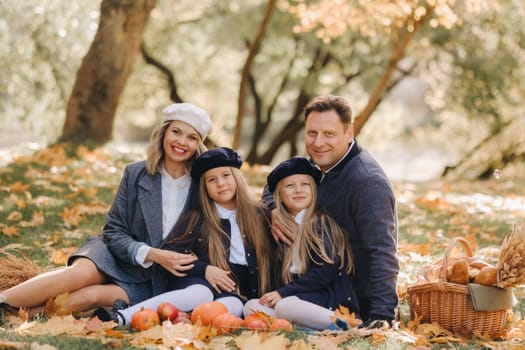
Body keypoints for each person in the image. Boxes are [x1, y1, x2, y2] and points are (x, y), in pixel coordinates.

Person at [0, 103, 212, 317]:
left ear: (198, 145)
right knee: (78, 275)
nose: (181, 142)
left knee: (91, 296)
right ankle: (4, 300)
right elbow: (114, 230)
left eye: (192, 137)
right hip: (114, 253)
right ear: (163, 133)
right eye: (176, 132)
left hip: (154, 278)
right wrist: (152, 253)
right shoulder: (136, 173)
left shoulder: (203, 186)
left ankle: (12, 313)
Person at [94, 147, 275, 325]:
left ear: (237, 177)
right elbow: (170, 252)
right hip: (198, 282)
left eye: (226, 175)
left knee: (232, 307)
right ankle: (123, 316)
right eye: (212, 180)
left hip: (235, 294)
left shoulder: (261, 215)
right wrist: (204, 269)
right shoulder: (197, 217)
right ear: (204, 188)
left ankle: (185, 319)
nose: (221, 183)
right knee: (201, 294)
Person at [263, 95, 399, 328]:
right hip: (309, 283)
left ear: (349, 133)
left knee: (284, 308)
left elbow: (382, 250)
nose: (318, 142)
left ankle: (339, 322)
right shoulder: (319, 162)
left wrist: (382, 315)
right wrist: (273, 208)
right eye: (312, 133)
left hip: (346, 294)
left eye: (328, 134)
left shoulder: (366, 181)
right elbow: (271, 185)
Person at [244, 157, 359, 330]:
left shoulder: (319, 223)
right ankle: (304, 329)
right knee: (252, 306)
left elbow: (325, 272)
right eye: (290, 186)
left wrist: (283, 293)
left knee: (285, 306)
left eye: (305, 184)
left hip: (329, 301)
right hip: (300, 298)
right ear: (279, 196)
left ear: (313, 190)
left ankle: (346, 327)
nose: (298, 190)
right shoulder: (280, 228)